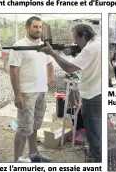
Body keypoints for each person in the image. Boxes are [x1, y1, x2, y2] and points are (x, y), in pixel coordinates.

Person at [38, 23, 102, 162]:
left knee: (94, 132)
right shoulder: (97, 43)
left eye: (76, 38)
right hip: (97, 92)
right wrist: (74, 51)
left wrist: (53, 53)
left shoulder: (90, 49)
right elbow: (87, 59)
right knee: (95, 131)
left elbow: (69, 68)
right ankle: (96, 155)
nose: (75, 42)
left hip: (93, 96)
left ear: (84, 35)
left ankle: (98, 160)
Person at [9, 16, 54, 163]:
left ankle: (34, 154)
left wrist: (48, 81)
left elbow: (50, 64)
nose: (38, 29)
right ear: (27, 28)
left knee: (34, 126)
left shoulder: (44, 45)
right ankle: (17, 161)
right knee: (23, 129)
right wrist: (17, 95)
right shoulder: (19, 45)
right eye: (35, 26)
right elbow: (14, 70)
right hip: (27, 92)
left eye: (40, 27)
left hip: (41, 91)